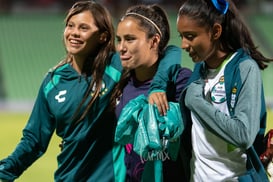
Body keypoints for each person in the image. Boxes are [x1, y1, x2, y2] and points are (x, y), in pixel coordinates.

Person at [0, 1, 182, 181]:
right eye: (70, 26)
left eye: (83, 28)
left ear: (102, 36)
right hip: (67, 177)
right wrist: (4, 171)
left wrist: (158, 86)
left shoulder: (116, 67)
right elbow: (33, 140)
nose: (74, 33)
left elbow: (170, 52)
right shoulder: (53, 82)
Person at [176, 0, 273, 181]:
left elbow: (243, 134)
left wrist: (196, 102)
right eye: (181, 36)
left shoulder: (244, 69)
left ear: (215, 32)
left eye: (190, 36)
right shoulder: (199, 69)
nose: (183, 44)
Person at [112, 4, 192, 181]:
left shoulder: (181, 81)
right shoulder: (121, 83)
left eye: (130, 39)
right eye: (119, 39)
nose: (121, 48)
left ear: (154, 41)